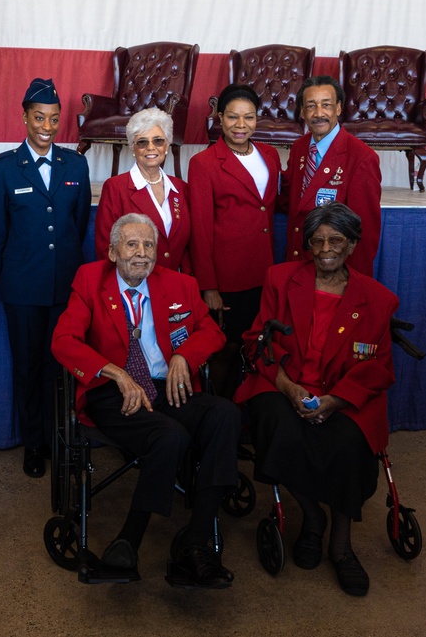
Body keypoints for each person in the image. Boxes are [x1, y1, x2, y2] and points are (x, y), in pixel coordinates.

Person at [52, 213, 241, 588]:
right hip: (113, 393)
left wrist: (183, 356)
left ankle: (194, 543)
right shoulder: (90, 281)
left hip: (166, 386)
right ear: (112, 252)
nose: (142, 254)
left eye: (149, 245)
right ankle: (128, 541)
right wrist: (116, 373)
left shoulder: (180, 284)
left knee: (226, 415)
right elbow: (63, 341)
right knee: (170, 436)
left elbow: (211, 331)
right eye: (132, 245)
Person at [234, 202, 399, 596]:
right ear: (307, 244)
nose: (326, 247)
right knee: (278, 427)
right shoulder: (280, 279)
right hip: (282, 384)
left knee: (346, 444)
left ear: (353, 244)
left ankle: (341, 545)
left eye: (336, 240)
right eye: (318, 240)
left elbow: (379, 369)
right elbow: (257, 344)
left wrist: (336, 400)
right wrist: (290, 388)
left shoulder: (377, 299)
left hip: (343, 395)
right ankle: (312, 519)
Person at [0, 78, 92, 478]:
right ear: (25, 117)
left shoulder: (75, 165)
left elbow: (77, 227)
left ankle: (57, 438)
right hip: (22, 289)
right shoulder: (3, 167)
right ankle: (33, 444)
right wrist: (15, 277)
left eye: (54, 119)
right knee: (28, 367)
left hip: (64, 287)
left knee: (59, 367)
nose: (47, 126)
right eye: (39, 118)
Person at [188, 84, 283, 397]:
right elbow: (200, 229)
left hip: (264, 270)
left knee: (258, 345)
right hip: (228, 278)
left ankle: (244, 418)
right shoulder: (204, 163)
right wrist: (209, 286)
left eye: (249, 117)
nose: (241, 125)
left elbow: (269, 204)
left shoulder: (269, 155)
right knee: (225, 350)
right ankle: (217, 416)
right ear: (219, 117)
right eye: (232, 117)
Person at [283, 76, 381, 276]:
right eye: (311, 106)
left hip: (334, 273)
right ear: (302, 111)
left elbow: (365, 232)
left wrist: (353, 281)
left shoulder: (361, 157)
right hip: (297, 265)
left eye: (326, 105)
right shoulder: (299, 148)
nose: (319, 113)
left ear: (338, 108)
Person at [94, 108, 191, 272]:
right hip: (135, 287)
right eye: (142, 142)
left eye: (158, 141)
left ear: (167, 144)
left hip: (176, 285)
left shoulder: (180, 188)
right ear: (133, 148)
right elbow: (106, 248)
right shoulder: (115, 187)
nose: (151, 147)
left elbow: (188, 247)